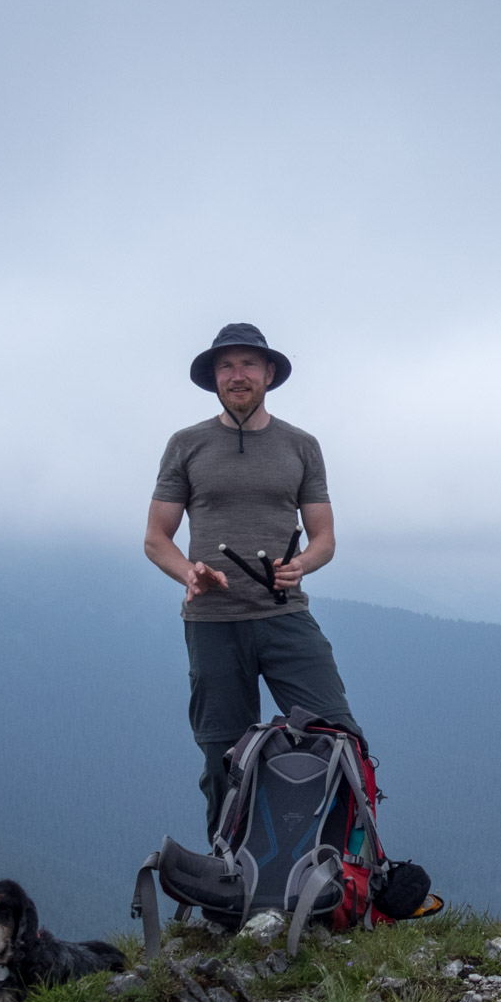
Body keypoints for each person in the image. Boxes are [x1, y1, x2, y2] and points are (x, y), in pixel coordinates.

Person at [144, 322, 365, 840]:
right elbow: (157, 538)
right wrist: (189, 572)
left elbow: (325, 538)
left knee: (338, 735)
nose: (237, 375)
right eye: (226, 366)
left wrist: (302, 564)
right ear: (214, 378)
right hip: (213, 623)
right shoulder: (186, 445)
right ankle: (228, 880)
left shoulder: (302, 446)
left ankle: (346, 868)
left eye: (247, 365)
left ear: (269, 373)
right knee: (223, 757)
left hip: (285, 615)